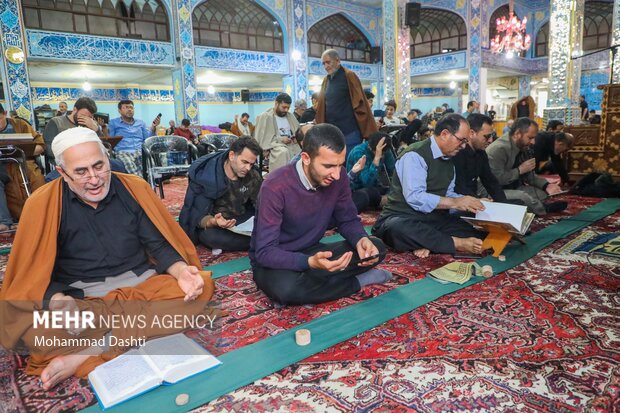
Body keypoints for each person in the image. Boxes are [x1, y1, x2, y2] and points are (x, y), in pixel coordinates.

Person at [0, 127, 214, 390]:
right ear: (62, 172)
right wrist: (57, 300)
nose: (94, 179)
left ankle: (86, 353)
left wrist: (182, 272)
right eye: (81, 171)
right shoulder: (42, 204)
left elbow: (158, 245)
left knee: (202, 285)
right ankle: (127, 336)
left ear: (107, 158)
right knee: (38, 336)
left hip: (142, 286)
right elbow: (33, 272)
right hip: (83, 298)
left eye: (99, 166)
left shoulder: (134, 188)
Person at [250, 123, 390, 305]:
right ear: (306, 158)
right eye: (329, 166)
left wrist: (360, 239)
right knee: (286, 289)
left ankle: (311, 286)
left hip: (313, 250)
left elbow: (347, 219)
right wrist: (309, 263)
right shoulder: (275, 186)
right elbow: (264, 252)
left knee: (376, 249)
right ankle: (356, 282)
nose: (337, 175)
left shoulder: (337, 179)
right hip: (277, 259)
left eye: (340, 165)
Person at [373, 114, 486, 258]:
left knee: (475, 228)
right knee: (397, 229)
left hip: (432, 220)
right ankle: (456, 243)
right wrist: (455, 202)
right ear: (445, 134)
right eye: (461, 140)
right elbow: (415, 197)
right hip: (402, 217)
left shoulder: (449, 160)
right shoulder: (415, 155)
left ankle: (429, 242)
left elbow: (448, 194)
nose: (464, 146)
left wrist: (470, 202)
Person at [180, 136, 262, 251]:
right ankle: (262, 240)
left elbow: (261, 204)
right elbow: (197, 216)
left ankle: (259, 239)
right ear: (232, 155)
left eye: (251, 164)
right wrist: (214, 222)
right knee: (210, 237)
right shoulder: (206, 175)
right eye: (244, 162)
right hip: (216, 223)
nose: (248, 168)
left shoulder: (253, 175)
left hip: (241, 217)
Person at [486, 117, 567, 215]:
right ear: (517, 134)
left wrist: (546, 185)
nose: (533, 142)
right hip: (492, 191)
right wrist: (519, 170)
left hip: (512, 186)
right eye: (530, 138)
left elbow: (529, 175)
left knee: (542, 194)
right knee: (522, 197)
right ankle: (543, 209)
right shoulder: (499, 149)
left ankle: (528, 208)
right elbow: (496, 180)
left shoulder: (522, 146)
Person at [315, 49, 377, 153]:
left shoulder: (349, 76)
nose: (326, 66)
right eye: (323, 63)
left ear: (337, 60)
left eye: (328, 62)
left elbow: (360, 103)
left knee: (351, 165)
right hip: (332, 134)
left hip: (350, 133)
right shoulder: (326, 81)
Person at [0, 104, 46, 223]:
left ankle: (43, 218)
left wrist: (22, 150)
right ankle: (10, 222)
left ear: (5, 113)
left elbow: (40, 146)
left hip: (25, 162)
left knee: (37, 182)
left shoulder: (20, 125)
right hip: (3, 167)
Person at [453, 114, 507, 202]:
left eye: (491, 136)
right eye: (487, 137)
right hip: (459, 203)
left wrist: (504, 204)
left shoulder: (481, 153)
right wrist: (478, 201)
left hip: (473, 200)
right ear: (471, 133)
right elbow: (459, 187)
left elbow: (490, 181)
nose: (490, 140)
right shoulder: (457, 153)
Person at [108, 99, 160, 175]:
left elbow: (148, 139)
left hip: (140, 151)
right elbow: (110, 140)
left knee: (151, 170)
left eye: (131, 107)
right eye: (126, 107)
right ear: (119, 110)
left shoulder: (141, 123)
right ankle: (139, 185)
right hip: (123, 151)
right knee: (133, 172)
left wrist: (153, 127)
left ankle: (147, 184)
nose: (129, 109)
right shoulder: (113, 123)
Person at [44, 97, 103, 161]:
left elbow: (103, 146)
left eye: (89, 117)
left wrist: (97, 130)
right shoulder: (56, 122)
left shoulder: (90, 125)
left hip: (89, 160)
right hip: (66, 162)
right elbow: (49, 150)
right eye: (83, 115)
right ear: (75, 110)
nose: (86, 119)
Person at [254, 93, 300, 173]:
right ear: (276, 103)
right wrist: (281, 139)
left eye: (288, 108)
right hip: (274, 146)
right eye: (284, 107)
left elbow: (298, 131)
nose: (286, 110)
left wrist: (296, 138)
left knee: (303, 151)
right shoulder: (266, 117)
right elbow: (263, 139)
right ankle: (281, 179)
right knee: (283, 152)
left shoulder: (290, 116)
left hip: (291, 144)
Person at [346, 131, 395, 199]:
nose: (382, 155)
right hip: (358, 189)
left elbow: (393, 171)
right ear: (370, 147)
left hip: (376, 186)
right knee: (369, 194)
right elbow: (367, 183)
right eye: (381, 153)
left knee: (397, 192)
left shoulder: (385, 150)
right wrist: (377, 158)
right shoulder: (359, 152)